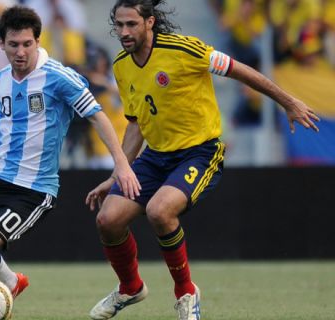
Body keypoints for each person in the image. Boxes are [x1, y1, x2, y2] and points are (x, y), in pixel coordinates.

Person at [85, 1, 320, 320]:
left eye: (131, 24)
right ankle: (130, 287)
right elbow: (136, 122)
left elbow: (240, 70)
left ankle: (186, 293)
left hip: (199, 151)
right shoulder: (121, 65)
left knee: (159, 211)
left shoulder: (185, 50)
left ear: (149, 22)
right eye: (119, 25)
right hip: (156, 156)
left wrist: (288, 102)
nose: (124, 32)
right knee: (108, 220)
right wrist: (118, 173)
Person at [0, 5, 140, 320]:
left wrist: (122, 165)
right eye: (14, 44)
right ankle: (10, 281)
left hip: (34, 188)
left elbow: (97, 116)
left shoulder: (58, 77)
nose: (21, 52)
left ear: (38, 42)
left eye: (27, 44)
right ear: (1, 44)